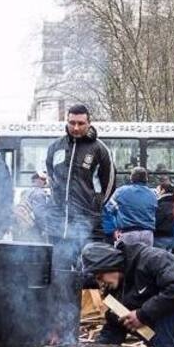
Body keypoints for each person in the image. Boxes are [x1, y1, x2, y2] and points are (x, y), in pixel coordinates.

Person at [45, 104, 114, 258]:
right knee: (57, 273)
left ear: (89, 123)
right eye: (72, 123)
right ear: (67, 122)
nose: (75, 128)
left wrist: (94, 208)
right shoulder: (55, 147)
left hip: (87, 226)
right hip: (58, 225)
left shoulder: (100, 149)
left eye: (80, 123)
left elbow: (109, 185)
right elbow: (51, 178)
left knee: (87, 273)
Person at [107, 167, 157, 247]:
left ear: (131, 178)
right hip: (148, 234)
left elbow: (108, 210)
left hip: (128, 233)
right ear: (146, 179)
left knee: (125, 258)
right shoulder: (153, 194)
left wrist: (114, 229)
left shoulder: (120, 191)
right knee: (146, 259)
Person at [13, 170, 52, 242]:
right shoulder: (39, 193)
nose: (44, 182)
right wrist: (44, 229)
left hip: (20, 226)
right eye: (43, 179)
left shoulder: (27, 191)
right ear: (37, 180)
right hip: (30, 228)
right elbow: (39, 214)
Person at [153, 180, 174, 252]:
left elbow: (157, 220)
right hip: (172, 236)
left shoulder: (162, 204)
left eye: (157, 190)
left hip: (160, 236)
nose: (156, 192)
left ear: (163, 190)